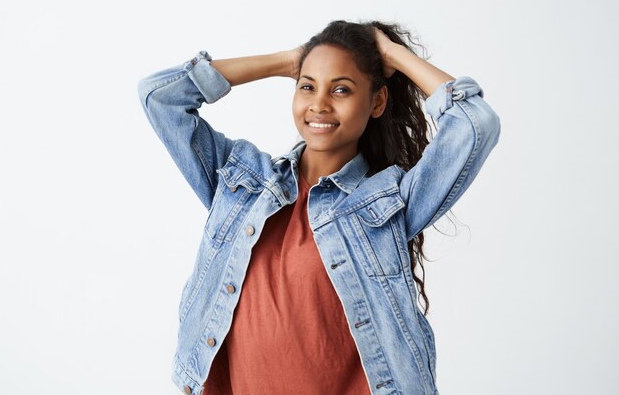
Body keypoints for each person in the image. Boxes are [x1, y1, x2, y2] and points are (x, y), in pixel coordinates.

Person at [137, 19, 500, 395]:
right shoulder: (242, 184)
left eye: (341, 89)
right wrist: (285, 61)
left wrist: (395, 55)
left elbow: (476, 124)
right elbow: (160, 98)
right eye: (307, 87)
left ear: (376, 101)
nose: (319, 105)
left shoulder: (387, 201)